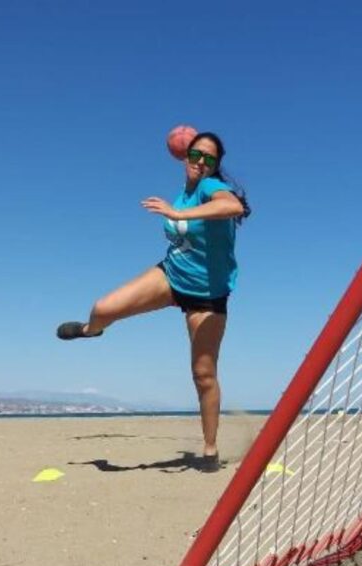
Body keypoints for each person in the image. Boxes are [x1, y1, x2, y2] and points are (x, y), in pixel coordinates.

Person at [56, 131, 250, 471]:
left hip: (207, 296)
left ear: (216, 166)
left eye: (209, 158)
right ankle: (92, 330)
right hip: (171, 276)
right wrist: (177, 208)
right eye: (196, 154)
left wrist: (177, 213)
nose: (200, 162)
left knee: (203, 375)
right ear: (184, 155)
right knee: (103, 309)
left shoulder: (209, 188)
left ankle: (209, 448)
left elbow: (232, 206)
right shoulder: (184, 191)